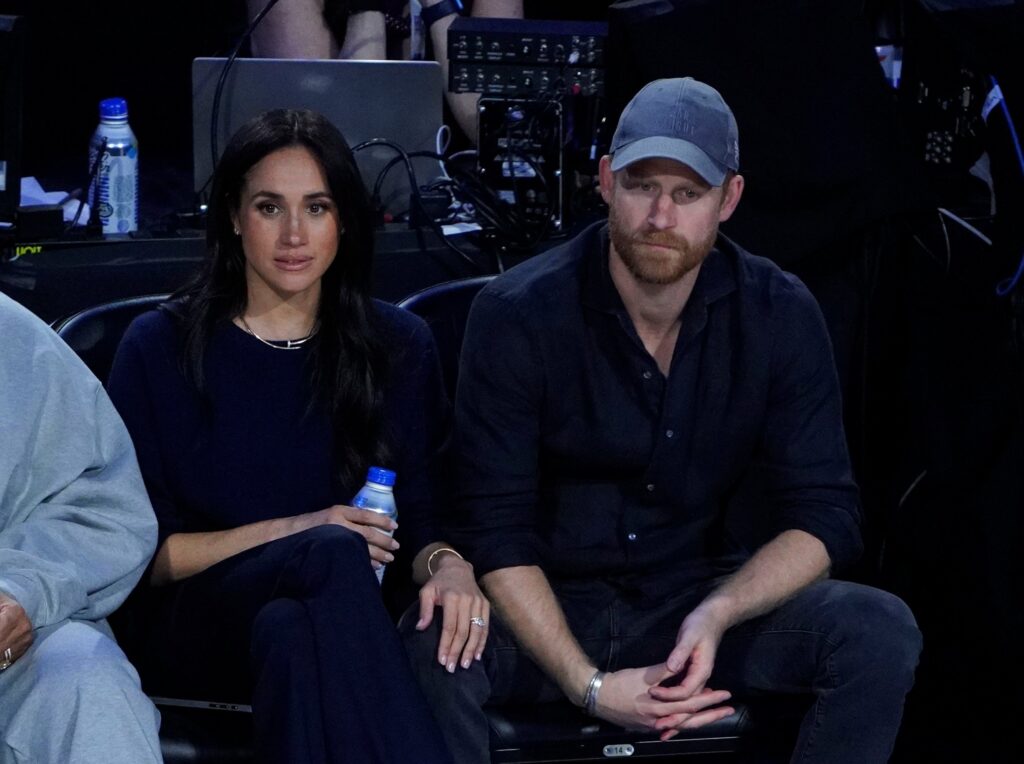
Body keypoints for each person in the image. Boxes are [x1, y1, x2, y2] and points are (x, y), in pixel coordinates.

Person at [402, 77, 923, 763]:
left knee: (877, 629)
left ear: (728, 199)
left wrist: (719, 613)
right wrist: (588, 684)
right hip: (546, 604)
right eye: (643, 185)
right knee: (435, 645)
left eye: (688, 194)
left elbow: (827, 514)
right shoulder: (518, 313)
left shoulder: (778, 312)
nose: (660, 216)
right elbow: (495, 534)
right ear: (606, 180)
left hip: (697, 600)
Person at [106, 108, 486, 763]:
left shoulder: (397, 346)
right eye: (268, 207)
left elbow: (423, 528)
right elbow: (147, 556)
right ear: (232, 215)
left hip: (321, 631)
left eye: (316, 207)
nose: (293, 235)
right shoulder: (161, 349)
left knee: (291, 632)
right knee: (332, 552)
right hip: (196, 624)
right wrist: (302, 532)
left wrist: (450, 568)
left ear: (343, 221)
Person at [0, 293, 162, 762]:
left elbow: (102, 512)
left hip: (7, 653)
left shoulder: (14, 339)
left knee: (87, 680)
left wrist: (21, 589)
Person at [246, 0, 524, 141]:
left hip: (464, 206)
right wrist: (368, 7)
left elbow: (496, 133)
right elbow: (323, 137)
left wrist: (438, 7)